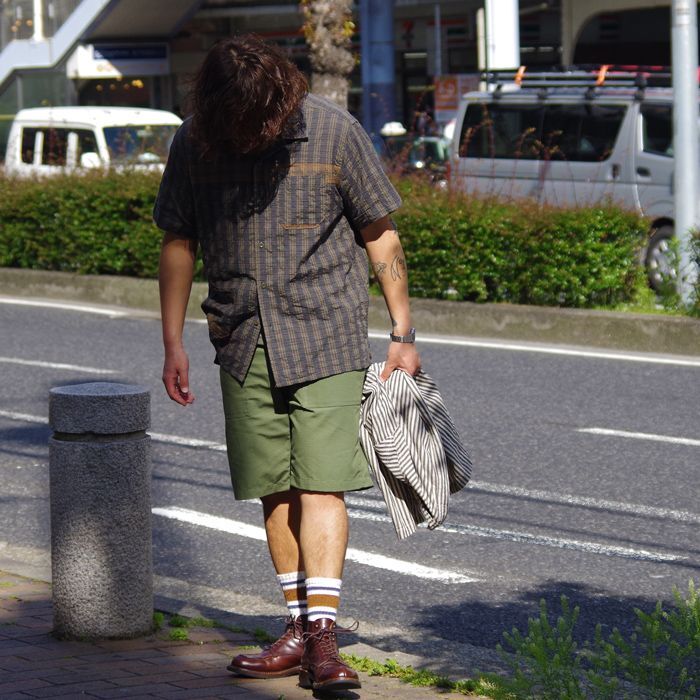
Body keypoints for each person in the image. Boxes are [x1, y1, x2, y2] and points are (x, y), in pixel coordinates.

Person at [155, 34, 420, 693]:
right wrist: (172, 342)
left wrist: (402, 329)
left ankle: (324, 640)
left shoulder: (332, 131)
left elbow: (378, 230)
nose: (253, 132)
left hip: (324, 335)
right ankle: (298, 626)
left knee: (321, 483)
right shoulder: (196, 141)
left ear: (279, 94)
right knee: (274, 487)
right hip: (240, 336)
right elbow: (178, 239)